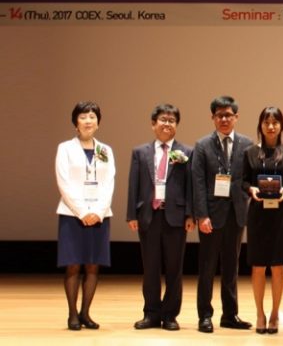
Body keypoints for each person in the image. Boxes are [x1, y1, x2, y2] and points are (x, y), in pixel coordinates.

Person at [126, 104, 195, 331]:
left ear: (177, 125)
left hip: (175, 217)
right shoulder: (140, 152)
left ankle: (170, 315)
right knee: (151, 268)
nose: (167, 124)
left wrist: (190, 214)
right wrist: (131, 214)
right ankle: (151, 313)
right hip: (149, 215)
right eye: (163, 120)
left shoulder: (187, 152)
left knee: (174, 269)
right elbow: (133, 185)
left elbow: (190, 187)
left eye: (172, 120)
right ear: (153, 124)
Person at [192, 95, 253, 333]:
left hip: (236, 213)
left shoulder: (248, 144)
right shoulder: (202, 145)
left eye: (228, 115)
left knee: (231, 266)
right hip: (211, 216)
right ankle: (205, 315)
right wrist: (201, 215)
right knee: (207, 266)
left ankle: (230, 314)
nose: (224, 119)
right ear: (213, 118)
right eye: (220, 115)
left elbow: (249, 179)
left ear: (236, 117)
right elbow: (197, 183)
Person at [55, 101, 115, 331]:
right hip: (72, 214)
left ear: (98, 122)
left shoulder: (105, 150)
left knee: (93, 266)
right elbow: (64, 182)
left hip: (99, 215)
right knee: (72, 266)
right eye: (83, 117)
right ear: (75, 123)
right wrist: (82, 212)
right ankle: (72, 314)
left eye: (92, 116)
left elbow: (109, 183)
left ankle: (85, 313)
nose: (88, 120)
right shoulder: (65, 148)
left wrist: (97, 212)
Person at [242, 107, 283, 334]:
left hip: (280, 215)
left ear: (281, 125)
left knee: (278, 266)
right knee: (257, 266)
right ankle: (260, 313)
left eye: (276, 122)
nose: (271, 126)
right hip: (257, 214)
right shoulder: (249, 152)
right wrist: (251, 189)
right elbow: (243, 181)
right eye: (267, 122)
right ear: (260, 125)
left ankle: (275, 313)